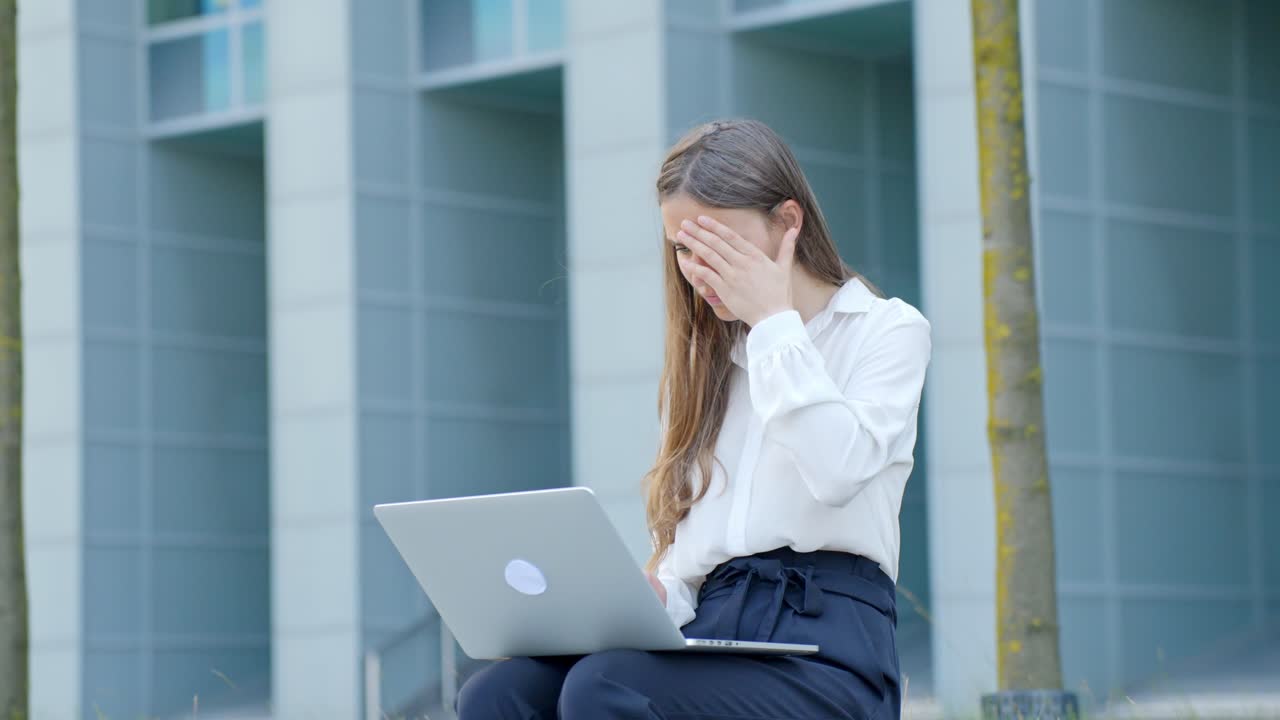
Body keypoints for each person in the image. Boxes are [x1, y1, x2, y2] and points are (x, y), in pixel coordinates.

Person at [456, 118, 932, 720]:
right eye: (683, 248)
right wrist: (653, 595)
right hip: (714, 628)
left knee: (607, 686)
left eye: (717, 245)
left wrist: (773, 324)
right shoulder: (707, 363)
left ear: (788, 223)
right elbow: (689, 557)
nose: (698, 269)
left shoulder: (887, 331)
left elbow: (838, 470)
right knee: (499, 694)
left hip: (829, 651)